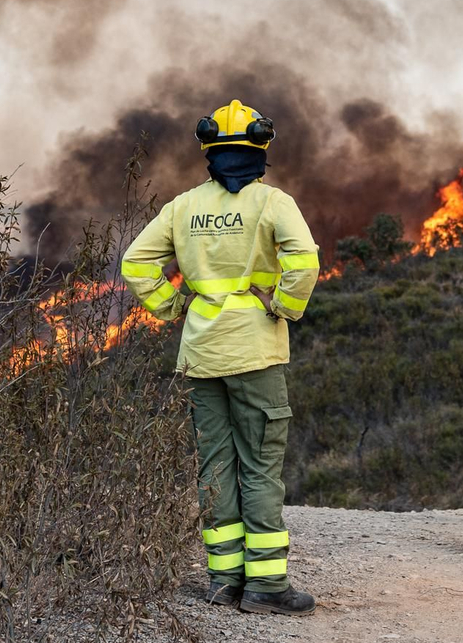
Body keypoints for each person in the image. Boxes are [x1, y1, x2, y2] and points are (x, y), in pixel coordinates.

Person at [120, 99, 321, 615]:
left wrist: (173, 306)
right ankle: (267, 586)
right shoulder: (273, 203)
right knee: (260, 465)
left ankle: (222, 578)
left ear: (208, 149)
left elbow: (135, 262)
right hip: (255, 351)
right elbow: (305, 259)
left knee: (215, 465)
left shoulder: (183, 207)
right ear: (261, 147)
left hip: (203, 353)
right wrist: (282, 307)